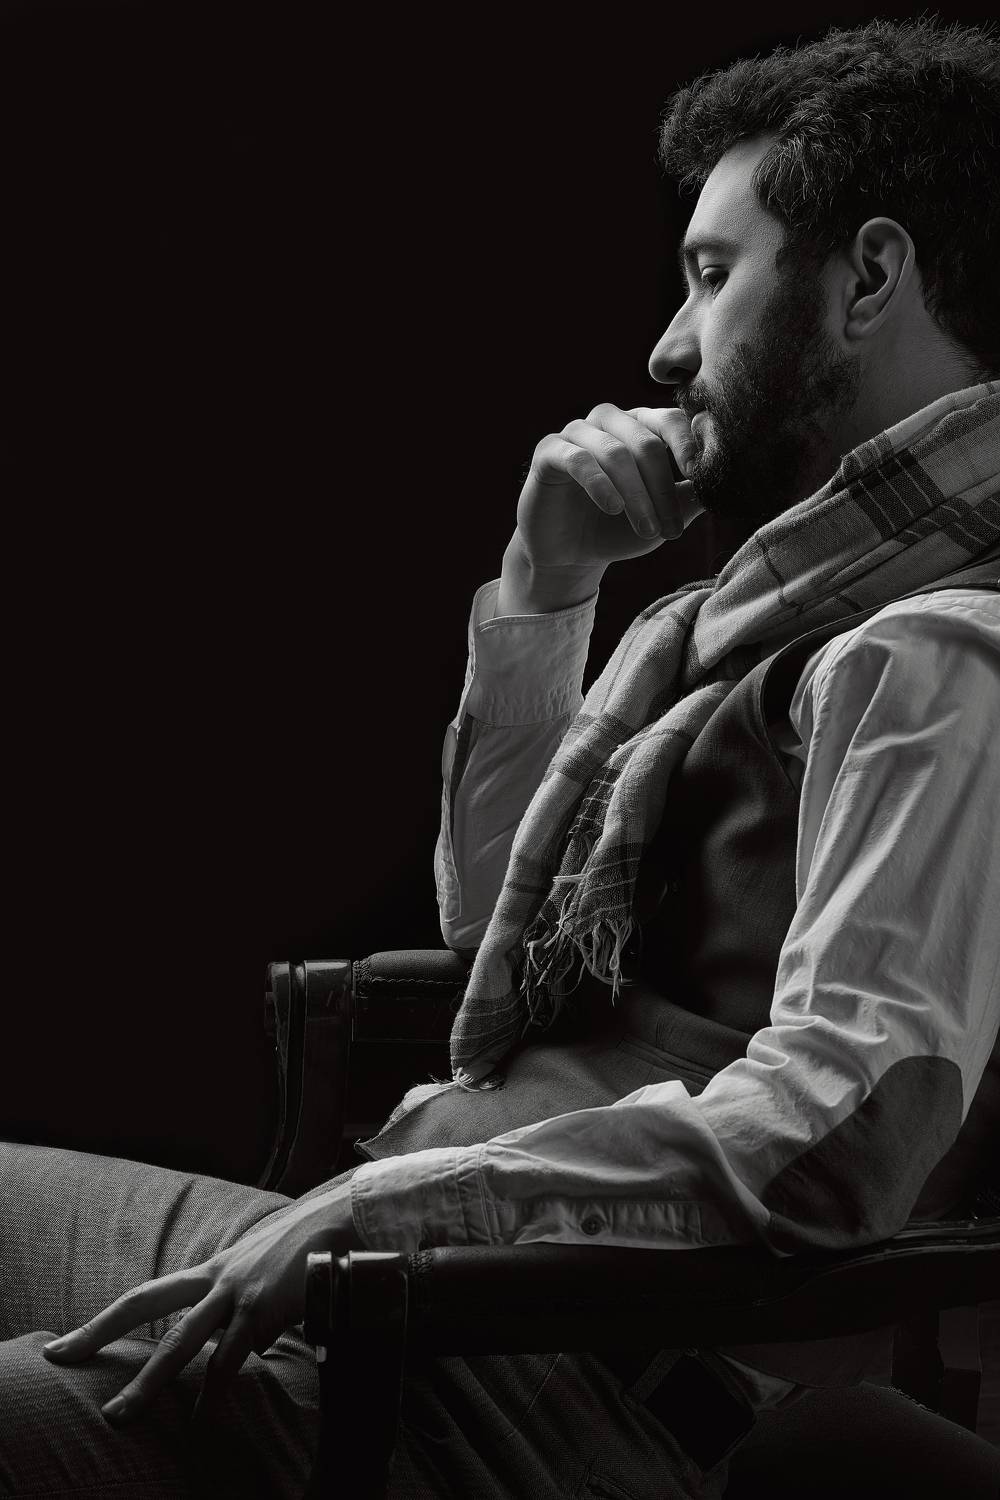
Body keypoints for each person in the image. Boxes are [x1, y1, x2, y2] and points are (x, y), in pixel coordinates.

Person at [3, 17, 1000, 1500]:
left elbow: (836, 1135)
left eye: (712, 274)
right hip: (422, 1287)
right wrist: (549, 583)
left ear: (869, 279)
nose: (668, 348)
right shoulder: (771, 627)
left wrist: (391, 1215)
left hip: (535, 1376)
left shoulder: (940, 659)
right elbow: (504, 955)